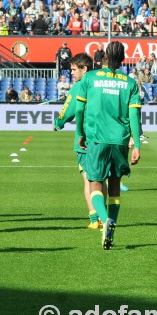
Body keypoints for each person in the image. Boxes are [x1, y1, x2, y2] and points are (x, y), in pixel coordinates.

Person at [75, 41, 141, 250]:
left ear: (103, 58)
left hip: (97, 139)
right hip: (120, 141)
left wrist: (80, 133)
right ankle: (110, 227)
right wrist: (137, 144)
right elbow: (134, 115)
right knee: (114, 188)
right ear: (122, 59)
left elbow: (78, 109)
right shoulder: (130, 84)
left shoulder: (90, 78)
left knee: (94, 184)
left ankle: (105, 220)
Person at [54, 53, 102, 229]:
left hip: (85, 140)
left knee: (88, 180)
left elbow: (68, 110)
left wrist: (58, 123)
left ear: (85, 69)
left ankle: (94, 218)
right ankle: (104, 216)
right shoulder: (100, 84)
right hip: (103, 138)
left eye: (74, 69)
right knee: (100, 179)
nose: (71, 73)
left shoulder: (78, 87)